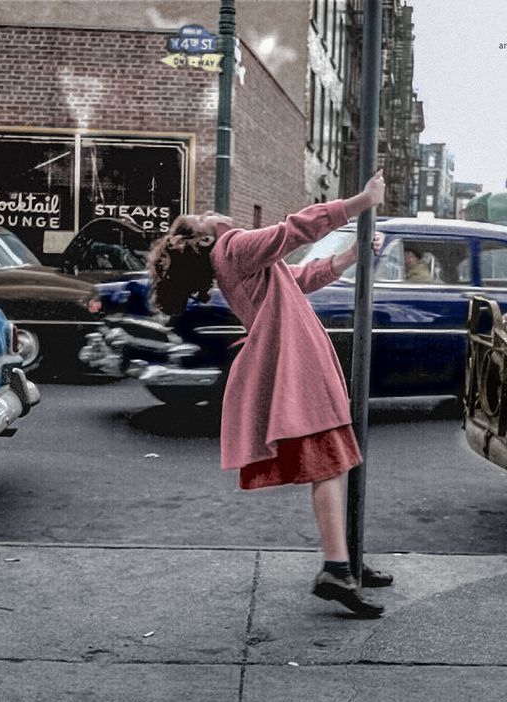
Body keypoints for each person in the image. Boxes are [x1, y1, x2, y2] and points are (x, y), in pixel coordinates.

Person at [149, 171, 391, 617]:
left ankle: (347, 560)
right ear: (203, 236)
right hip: (297, 365)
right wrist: (361, 201)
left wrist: (351, 255)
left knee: (337, 458)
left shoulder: (232, 261)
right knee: (331, 461)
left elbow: (298, 277)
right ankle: (336, 568)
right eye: (203, 215)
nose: (212, 211)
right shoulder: (233, 248)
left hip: (298, 362)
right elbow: (295, 230)